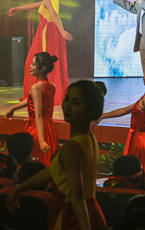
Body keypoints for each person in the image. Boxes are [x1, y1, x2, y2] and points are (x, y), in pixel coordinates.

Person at [8, 80, 108, 230]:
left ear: (91, 111)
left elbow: (78, 196)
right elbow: (52, 172)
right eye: (67, 100)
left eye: (76, 103)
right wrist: (18, 189)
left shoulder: (72, 147)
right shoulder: (89, 138)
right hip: (89, 211)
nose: (67, 106)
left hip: (73, 216)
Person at [7, 0, 71, 105]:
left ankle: (42, 94)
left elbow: (54, 15)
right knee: (46, 64)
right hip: (50, 31)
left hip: (48, 33)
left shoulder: (48, 0)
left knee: (38, 63)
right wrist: (17, 8)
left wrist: (62, 31)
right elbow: (33, 5)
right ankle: (47, 93)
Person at [5, 52, 59, 165]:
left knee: (35, 161)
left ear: (42, 68)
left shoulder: (36, 87)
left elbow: (38, 115)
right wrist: (13, 108)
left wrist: (41, 140)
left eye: (34, 64)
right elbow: (32, 100)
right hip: (49, 128)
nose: (30, 66)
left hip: (37, 128)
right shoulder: (51, 85)